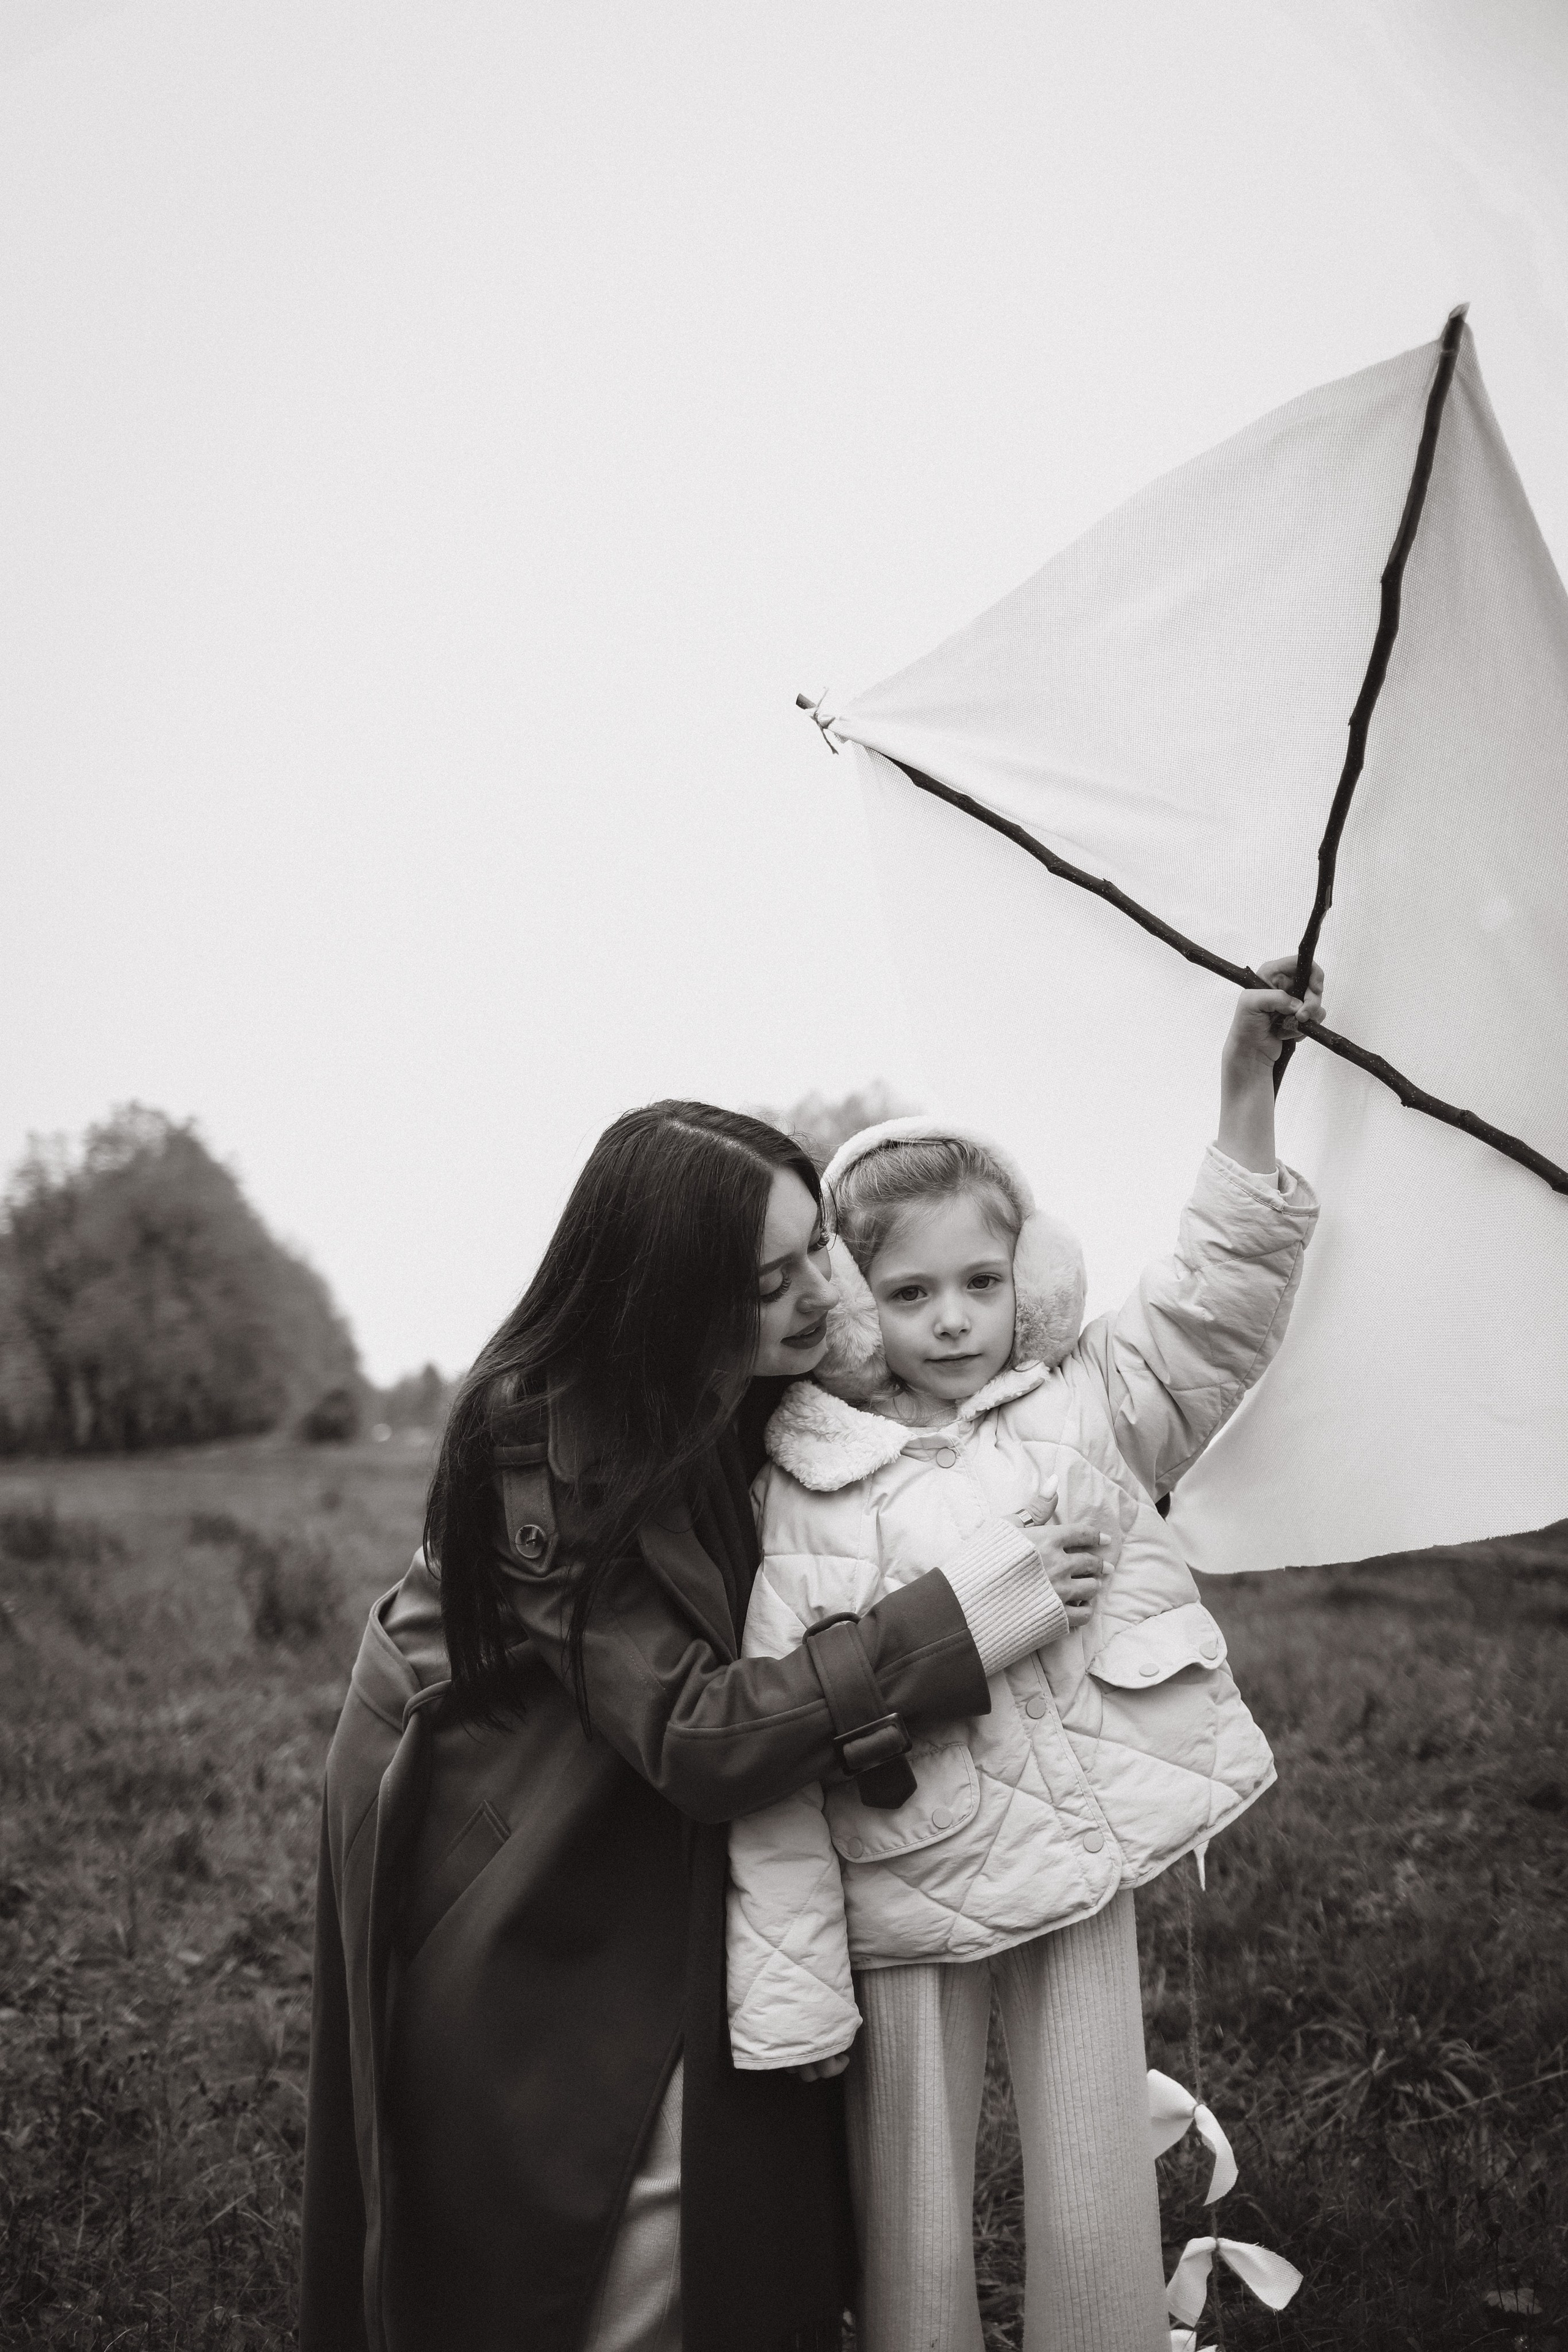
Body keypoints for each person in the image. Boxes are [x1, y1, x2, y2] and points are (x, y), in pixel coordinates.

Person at [300, 1100, 1111, 2352]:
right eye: (766, 1278)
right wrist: (962, 1619)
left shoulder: (753, 1376)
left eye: (817, 1254)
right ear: (667, 1290)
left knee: (736, 2164)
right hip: (499, 1801)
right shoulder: (543, 1442)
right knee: (569, 2166)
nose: (816, 1297)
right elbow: (694, 1737)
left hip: (646, 1764)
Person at [725, 962, 1324, 2352]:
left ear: (1029, 1275)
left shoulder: (1087, 1405)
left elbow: (1208, 1304)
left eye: (981, 1281)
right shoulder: (804, 1482)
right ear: (853, 1304)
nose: (951, 1318)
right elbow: (780, 1756)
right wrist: (792, 1990)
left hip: (1074, 1863)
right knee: (910, 2211)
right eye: (910, 1290)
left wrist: (1244, 1086)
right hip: (906, 1888)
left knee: (1093, 2180)